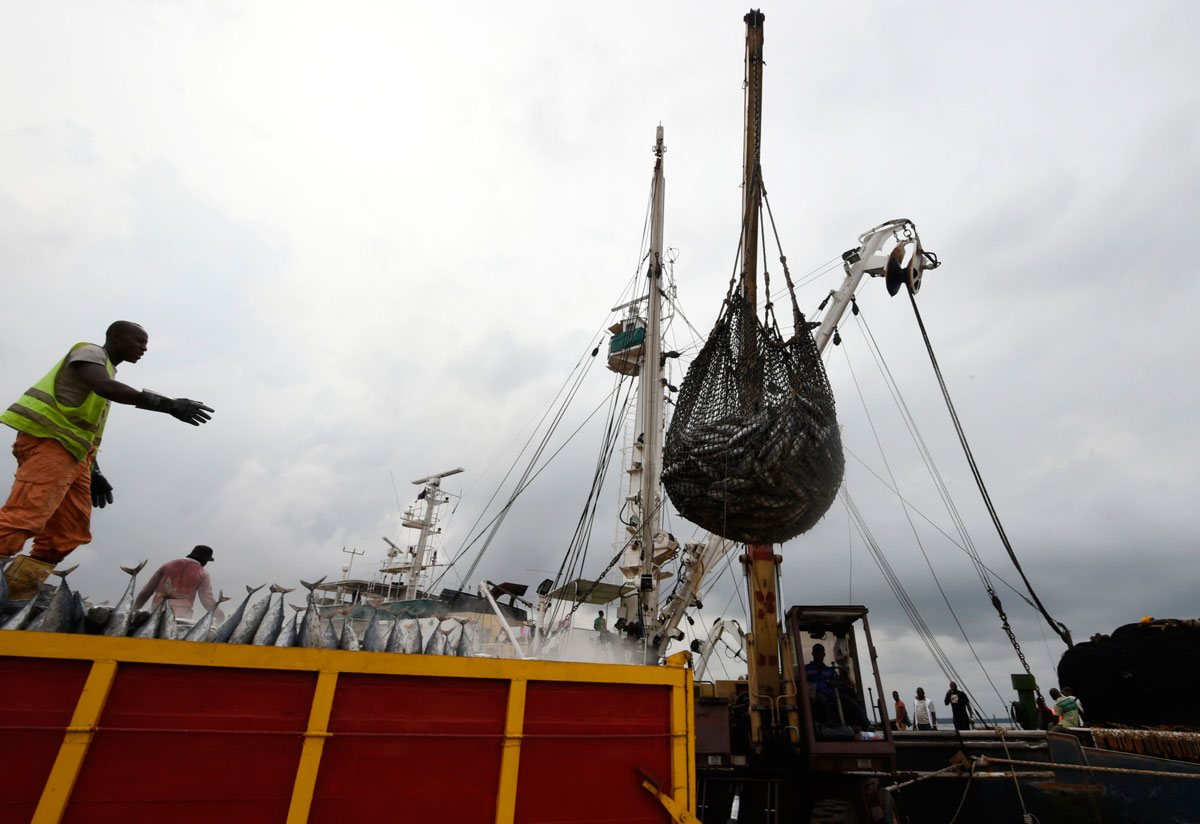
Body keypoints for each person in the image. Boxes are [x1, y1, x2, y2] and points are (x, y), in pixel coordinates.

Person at [0, 322, 213, 597]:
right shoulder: (90, 353)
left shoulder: (108, 371)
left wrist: (93, 470)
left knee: (68, 533)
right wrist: (168, 404)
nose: (144, 348)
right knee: (25, 515)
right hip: (49, 443)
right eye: (138, 341)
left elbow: (85, 427)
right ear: (115, 337)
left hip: (76, 455)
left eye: (146, 343)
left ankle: (18, 591)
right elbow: (104, 387)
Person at [133, 545, 223, 620]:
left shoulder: (167, 566)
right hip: (181, 618)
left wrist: (134, 609)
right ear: (204, 560)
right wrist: (220, 616)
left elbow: (147, 591)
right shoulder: (203, 573)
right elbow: (207, 600)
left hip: (157, 614)